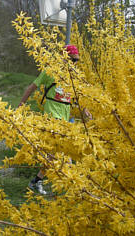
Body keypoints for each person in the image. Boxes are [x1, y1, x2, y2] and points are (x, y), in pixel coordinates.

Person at [18, 45, 82, 195]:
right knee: (62, 151)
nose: (74, 64)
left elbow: (78, 96)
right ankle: (75, 187)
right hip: (52, 117)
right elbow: (31, 88)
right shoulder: (50, 72)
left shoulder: (74, 76)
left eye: (76, 61)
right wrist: (21, 105)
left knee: (59, 153)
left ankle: (37, 181)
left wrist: (85, 111)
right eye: (72, 60)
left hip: (66, 119)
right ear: (64, 58)